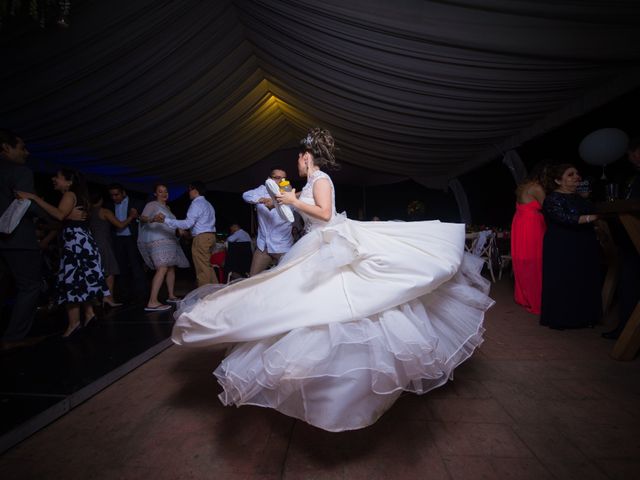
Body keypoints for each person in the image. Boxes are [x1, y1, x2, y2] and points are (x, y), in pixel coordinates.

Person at [171, 128, 493, 432]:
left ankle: (341, 383)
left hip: (326, 245)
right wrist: (284, 201)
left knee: (332, 303)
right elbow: (305, 210)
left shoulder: (321, 179)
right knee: (296, 299)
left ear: (307, 156)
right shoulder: (309, 183)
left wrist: (294, 201)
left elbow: (324, 213)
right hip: (312, 244)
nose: (296, 163)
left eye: (299, 157)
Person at [17, 169, 109, 337]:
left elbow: (59, 215)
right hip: (84, 242)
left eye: (57, 177)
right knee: (82, 279)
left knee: (72, 280)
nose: (53, 179)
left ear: (69, 182)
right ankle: (89, 314)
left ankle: (74, 324)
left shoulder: (69, 195)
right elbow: (62, 220)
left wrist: (34, 197)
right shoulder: (79, 196)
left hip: (76, 244)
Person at [540, 164, 602, 330]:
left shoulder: (581, 198)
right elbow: (564, 218)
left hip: (584, 243)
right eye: (570, 174)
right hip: (562, 245)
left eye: (577, 174)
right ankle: (562, 319)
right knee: (564, 280)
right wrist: (593, 217)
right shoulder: (552, 199)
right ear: (558, 180)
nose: (576, 177)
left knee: (584, 279)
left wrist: (586, 199)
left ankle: (585, 317)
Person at [0, 130, 44, 349]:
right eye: (22, 147)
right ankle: (13, 338)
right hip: (17, 239)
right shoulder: (19, 172)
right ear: (6, 147)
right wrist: (59, 215)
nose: (26, 153)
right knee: (30, 286)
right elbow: (29, 205)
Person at [602, 138, 640, 339]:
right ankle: (625, 329)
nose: (631, 158)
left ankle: (627, 332)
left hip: (636, 240)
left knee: (630, 282)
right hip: (631, 241)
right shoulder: (634, 178)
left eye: (631, 153)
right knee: (628, 283)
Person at [153, 181, 216, 287]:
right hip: (210, 236)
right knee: (207, 266)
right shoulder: (208, 204)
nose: (188, 192)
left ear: (195, 190)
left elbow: (187, 224)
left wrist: (166, 220)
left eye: (189, 190)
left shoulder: (196, 203)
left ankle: (205, 298)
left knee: (202, 269)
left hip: (201, 238)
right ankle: (216, 293)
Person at [138, 183, 189, 312]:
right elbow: (142, 218)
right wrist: (152, 218)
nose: (164, 194)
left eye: (166, 191)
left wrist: (180, 230)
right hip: (158, 240)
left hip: (169, 240)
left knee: (171, 268)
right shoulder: (152, 205)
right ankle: (152, 301)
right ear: (155, 194)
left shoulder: (168, 208)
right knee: (162, 267)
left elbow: (170, 224)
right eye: (160, 191)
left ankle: (171, 295)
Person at [89, 190, 138, 308]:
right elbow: (120, 225)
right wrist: (131, 217)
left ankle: (95, 299)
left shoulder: (88, 212)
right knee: (110, 271)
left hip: (91, 244)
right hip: (103, 244)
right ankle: (108, 298)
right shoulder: (104, 211)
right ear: (101, 200)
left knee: (95, 272)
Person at [242, 167, 294, 275]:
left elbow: (294, 210)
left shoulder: (288, 192)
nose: (280, 181)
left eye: (284, 178)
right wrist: (259, 199)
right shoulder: (262, 190)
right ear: (269, 179)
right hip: (264, 245)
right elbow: (246, 195)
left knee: (286, 279)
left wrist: (276, 202)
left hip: (282, 246)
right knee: (253, 278)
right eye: (277, 178)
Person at [510, 165, 547, 315]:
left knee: (523, 261)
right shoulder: (537, 188)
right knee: (536, 261)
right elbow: (549, 208)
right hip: (532, 224)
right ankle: (536, 299)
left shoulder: (522, 187)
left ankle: (524, 297)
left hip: (520, 223)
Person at [107, 183, 146, 302]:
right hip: (117, 239)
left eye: (116, 194)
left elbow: (145, 218)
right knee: (121, 267)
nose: (114, 197)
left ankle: (142, 294)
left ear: (123, 193)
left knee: (136, 266)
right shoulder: (109, 206)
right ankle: (125, 295)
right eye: (112, 195)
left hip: (131, 238)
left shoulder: (136, 203)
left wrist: (137, 215)